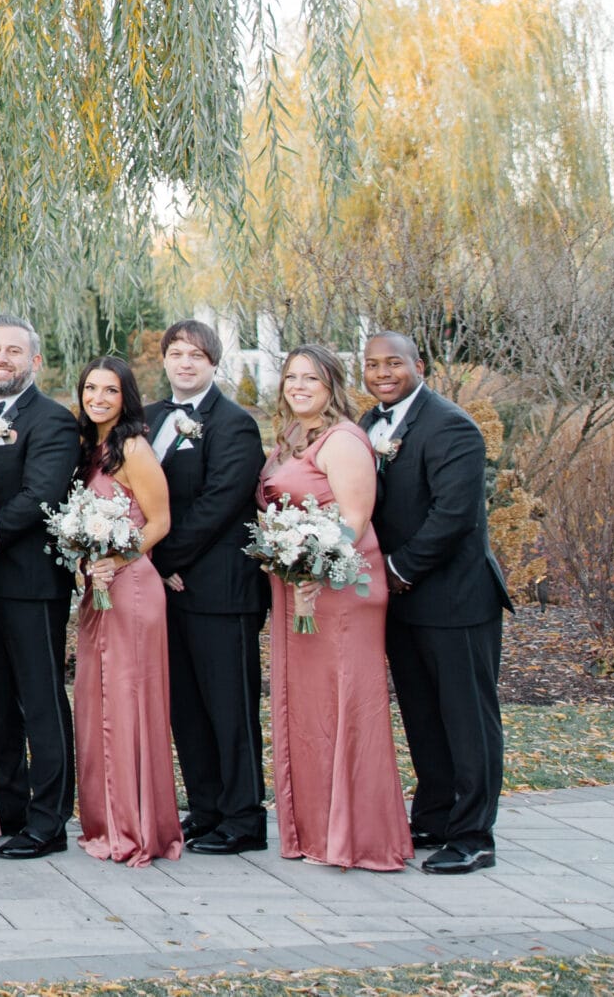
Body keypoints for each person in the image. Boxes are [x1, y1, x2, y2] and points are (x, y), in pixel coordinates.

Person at [362, 331, 512, 874]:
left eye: (393, 362)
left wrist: (397, 569)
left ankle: (474, 835)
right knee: (423, 716)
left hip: (456, 600)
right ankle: (433, 815)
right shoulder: (366, 426)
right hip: (399, 603)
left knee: (467, 719)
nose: (382, 372)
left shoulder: (452, 425)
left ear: (417, 364)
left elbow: (454, 515)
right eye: (373, 364)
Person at [263, 344, 409, 872]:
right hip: (299, 588)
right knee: (308, 710)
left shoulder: (344, 440)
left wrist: (311, 570)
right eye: (291, 377)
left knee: (345, 704)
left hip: (341, 589)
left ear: (331, 385)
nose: (298, 386)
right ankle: (318, 831)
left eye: (310, 378)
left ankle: (360, 836)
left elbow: (355, 518)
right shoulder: (289, 439)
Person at [146, 319, 269, 856]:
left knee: (228, 706)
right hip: (164, 592)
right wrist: (153, 567)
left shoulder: (235, 424)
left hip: (220, 589)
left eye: (197, 354)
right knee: (187, 706)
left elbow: (220, 502)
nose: (186, 363)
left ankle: (244, 818)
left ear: (214, 363)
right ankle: (207, 807)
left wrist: (160, 556)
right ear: (165, 361)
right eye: (176, 353)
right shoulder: (147, 420)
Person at [0, 315, 80, 858]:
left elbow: (39, 497)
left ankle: (48, 820)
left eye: (14, 351)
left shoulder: (54, 422)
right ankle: (6, 806)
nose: (1, 359)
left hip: (29, 583)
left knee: (40, 702)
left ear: (35, 361)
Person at [67, 356, 181, 867]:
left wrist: (117, 556)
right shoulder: (91, 450)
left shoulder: (133, 446)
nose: (97, 398)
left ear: (125, 396)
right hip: (98, 591)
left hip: (132, 589)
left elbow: (159, 520)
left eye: (109, 391)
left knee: (129, 707)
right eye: (90, 389)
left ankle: (136, 828)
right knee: (98, 705)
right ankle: (105, 820)